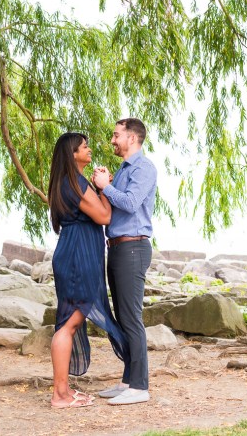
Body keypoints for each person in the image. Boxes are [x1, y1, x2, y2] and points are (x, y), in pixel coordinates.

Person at [47, 132, 129, 409]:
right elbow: (105, 217)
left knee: (69, 321)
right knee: (69, 324)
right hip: (77, 256)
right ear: (73, 154)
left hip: (74, 251)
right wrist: (104, 188)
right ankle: (60, 395)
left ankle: (63, 391)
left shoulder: (67, 183)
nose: (90, 149)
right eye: (85, 147)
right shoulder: (75, 184)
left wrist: (100, 187)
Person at [92, 117, 157, 406]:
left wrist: (106, 186)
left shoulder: (144, 168)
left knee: (132, 319)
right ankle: (128, 381)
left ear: (132, 138)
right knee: (121, 317)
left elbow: (130, 203)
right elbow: (112, 205)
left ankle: (140, 387)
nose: (112, 140)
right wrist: (104, 185)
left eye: (116, 135)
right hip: (118, 247)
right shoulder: (123, 170)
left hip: (133, 248)